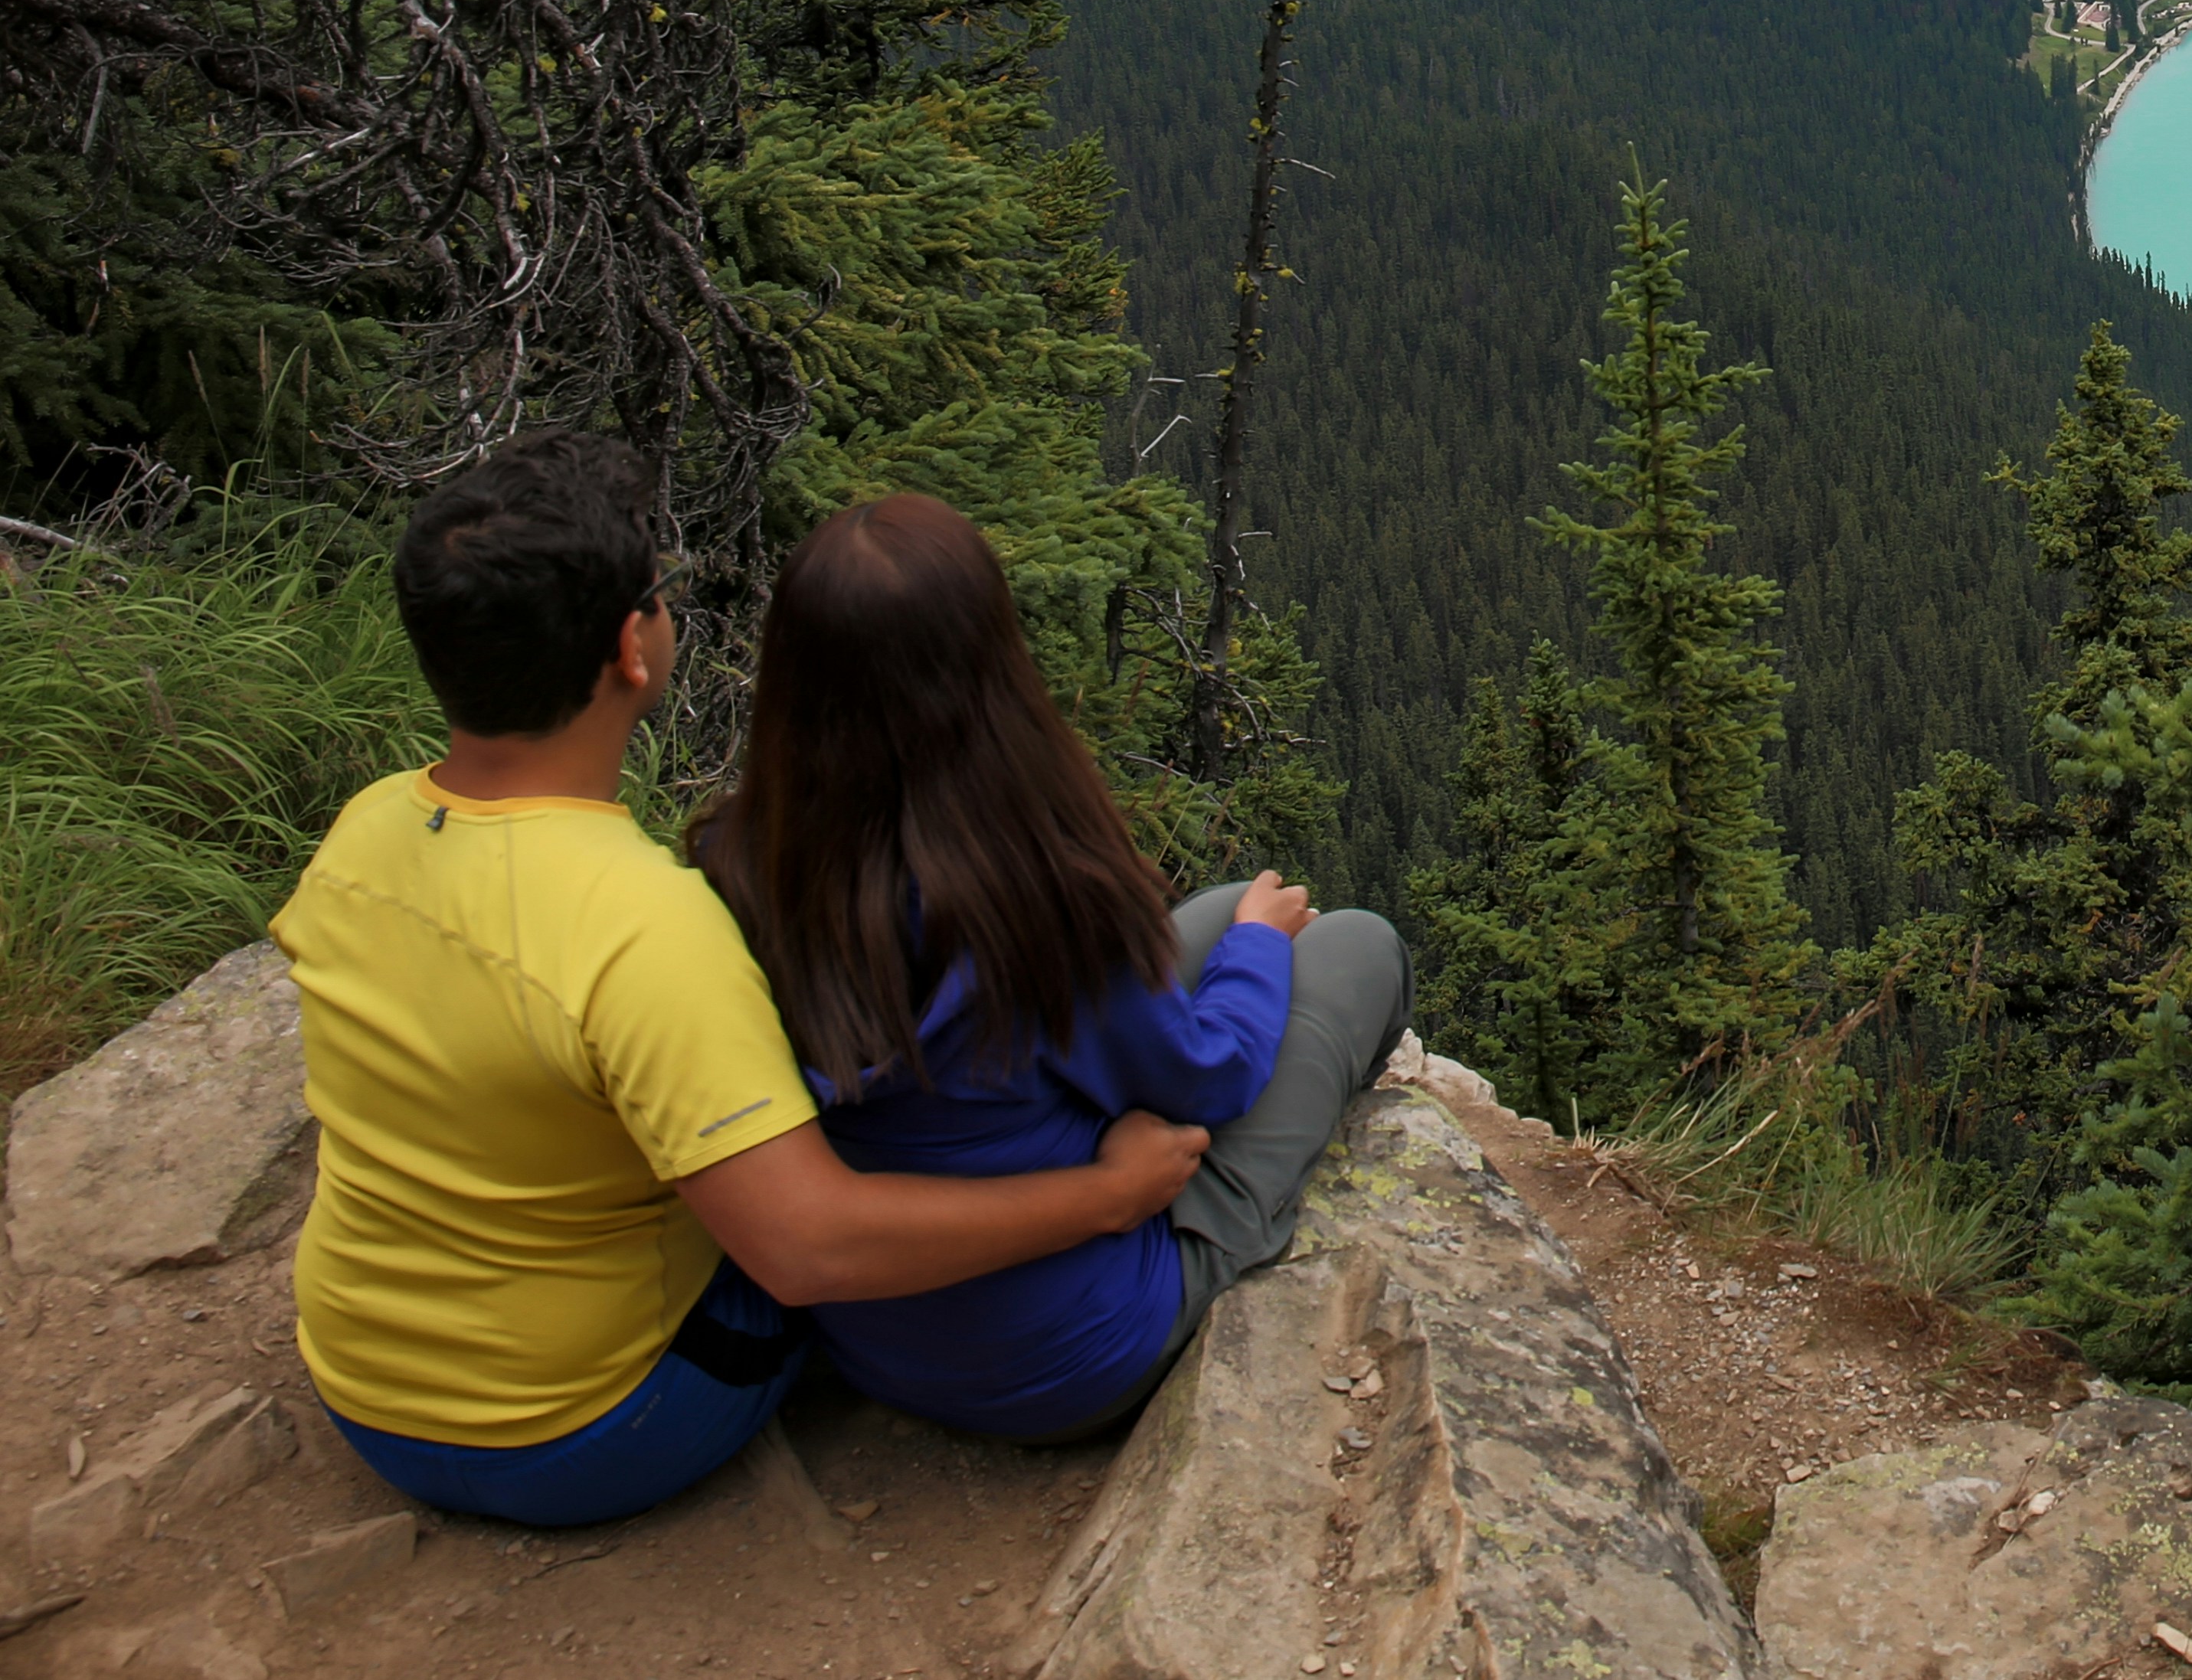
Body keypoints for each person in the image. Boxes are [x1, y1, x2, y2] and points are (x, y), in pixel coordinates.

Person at [276, 432, 1210, 1530]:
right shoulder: (646, 926)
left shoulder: (367, 828)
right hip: (585, 1427)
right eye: (662, 593)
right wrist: (1108, 1194)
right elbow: (809, 1247)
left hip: (360, 1383)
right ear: (634, 646)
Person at [692, 492, 1411, 1444]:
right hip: (1072, 1351)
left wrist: (1230, 938)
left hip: (870, 1330)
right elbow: (1212, 1074)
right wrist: (1259, 949)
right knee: (1355, 943)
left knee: (1206, 913)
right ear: (990, 668)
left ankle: (1224, 949)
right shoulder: (1039, 898)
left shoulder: (735, 864)